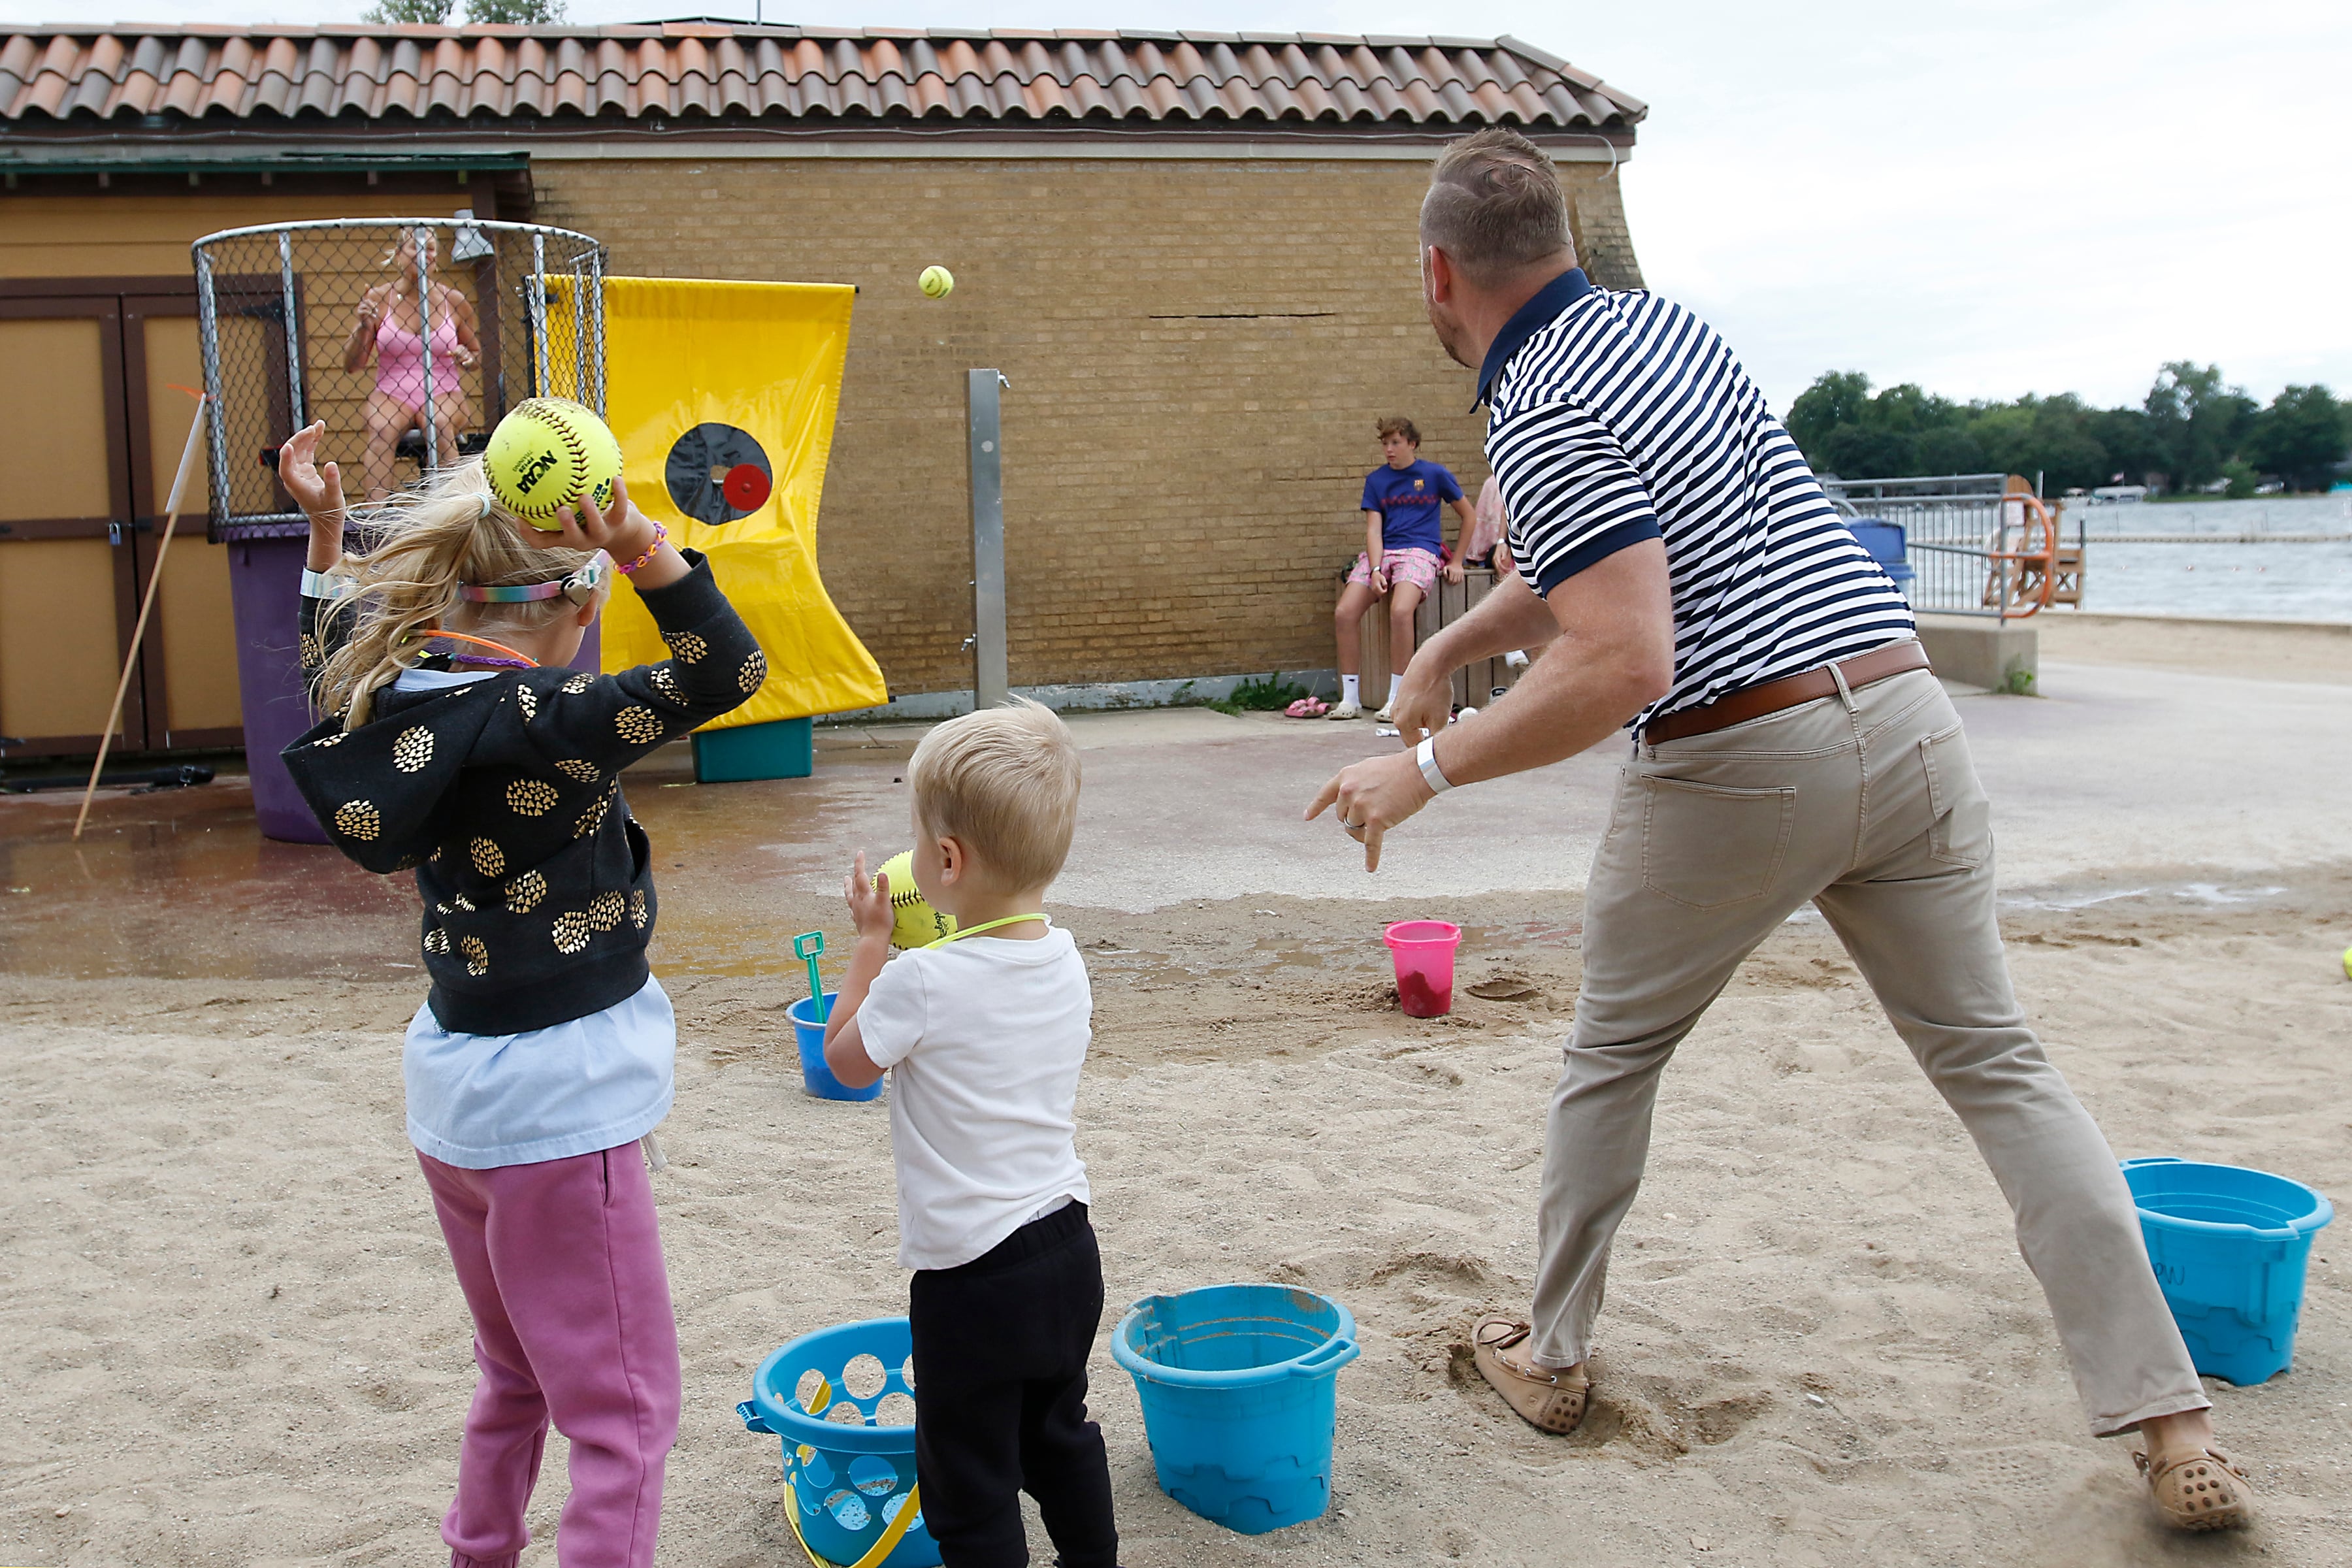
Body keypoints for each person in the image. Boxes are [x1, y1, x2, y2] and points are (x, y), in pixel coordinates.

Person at [1307, 127, 2249, 1534]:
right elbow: (1614, 556)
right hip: (1907, 715)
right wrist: (1446, 651)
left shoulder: (1539, 403)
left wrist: (1426, 769)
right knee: (2000, 1064)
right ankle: (2172, 1425)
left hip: (1744, 753)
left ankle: (1551, 1356)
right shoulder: (1672, 332)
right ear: (1566, 244)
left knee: (1612, 1055)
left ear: (1439, 275)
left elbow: (1623, 655)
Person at [274, 417, 767, 1567]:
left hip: (455, 1092)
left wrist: (325, 534)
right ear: (576, 608)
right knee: (626, 1417)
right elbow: (728, 671)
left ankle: (480, 1553)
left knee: (514, 1378)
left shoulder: (401, 702)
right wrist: (648, 544)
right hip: (560, 1099)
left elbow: (330, 654)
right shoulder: (546, 721)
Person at [819, 701, 1117, 1568]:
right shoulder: (1064, 956)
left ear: (946, 861)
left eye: (918, 839)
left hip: (971, 1278)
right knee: (1057, 1437)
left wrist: (871, 942)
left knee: (968, 1480)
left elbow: (844, 1064)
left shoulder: (919, 979)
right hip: (1066, 1246)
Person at [1330, 417, 1475, 722]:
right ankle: (1351, 699)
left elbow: (1469, 516)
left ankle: (1397, 699)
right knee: (1344, 612)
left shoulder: (1434, 474)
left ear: (1412, 444)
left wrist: (1457, 560)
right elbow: (1374, 531)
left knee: (1400, 611)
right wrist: (1376, 570)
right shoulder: (1376, 481)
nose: (1389, 450)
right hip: (1384, 551)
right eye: (1385, 443)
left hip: (1421, 550)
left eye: (1395, 442)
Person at [344, 225, 482, 500]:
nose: (424, 255)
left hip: (444, 390)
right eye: (415, 248)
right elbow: (353, 364)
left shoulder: (453, 301)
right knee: (382, 429)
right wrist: (363, 326)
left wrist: (468, 358)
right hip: (392, 392)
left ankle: (455, 508)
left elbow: (476, 354)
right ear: (399, 255)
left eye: (430, 249)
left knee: (439, 423)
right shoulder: (379, 299)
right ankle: (377, 518)